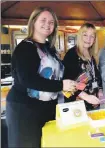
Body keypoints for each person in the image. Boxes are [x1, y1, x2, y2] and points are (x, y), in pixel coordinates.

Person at [6, 7, 76, 147]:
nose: (47, 24)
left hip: (45, 109)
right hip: (24, 110)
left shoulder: (50, 48)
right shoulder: (26, 47)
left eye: (51, 22)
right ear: (33, 22)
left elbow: (57, 76)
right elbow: (27, 79)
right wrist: (61, 85)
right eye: (43, 20)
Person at [63, 23, 101, 111]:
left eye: (92, 36)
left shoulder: (92, 56)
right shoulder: (71, 54)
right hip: (76, 104)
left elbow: (95, 78)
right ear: (80, 36)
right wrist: (86, 97)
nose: (88, 39)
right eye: (85, 35)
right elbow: (67, 81)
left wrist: (99, 92)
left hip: (92, 103)